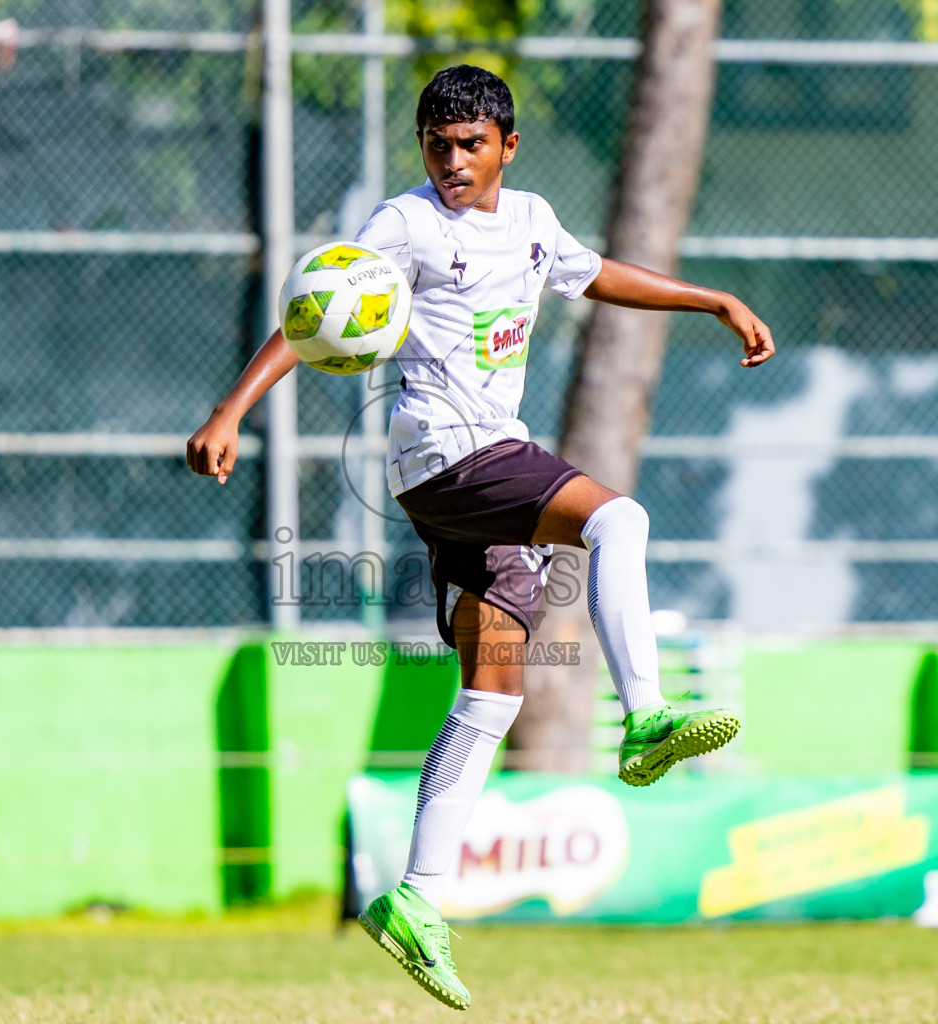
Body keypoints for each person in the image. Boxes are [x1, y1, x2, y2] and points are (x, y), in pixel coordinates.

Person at [186, 65, 775, 1010]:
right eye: (436, 143)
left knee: (492, 689)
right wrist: (230, 411)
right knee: (619, 518)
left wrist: (710, 299)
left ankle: (417, 902)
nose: (452, 161)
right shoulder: (405, 225)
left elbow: (593, 273)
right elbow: (314, 312)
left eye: (469, 145)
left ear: (506, 146)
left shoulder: (534, 221)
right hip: (451, 457)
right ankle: (649, 714)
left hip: (466, 479)